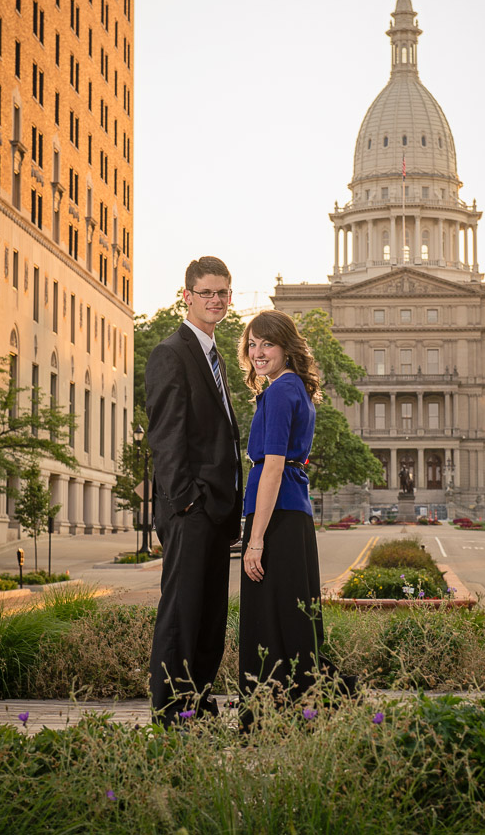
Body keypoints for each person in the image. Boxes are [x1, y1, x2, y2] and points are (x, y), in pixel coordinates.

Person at [238, 310, 355, 716]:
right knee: (293, 617)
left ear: (286, 347)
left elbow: (271, 465)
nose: (258, 352)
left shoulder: (280, 391)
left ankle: (271, 716)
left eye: (267, 344)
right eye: (252, 344)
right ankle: (302, 709)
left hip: (276, 515)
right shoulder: (295, 389)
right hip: (293, 512)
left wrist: (255, 540)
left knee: (268, 621)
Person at [145, 256, 242, 725]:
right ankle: (170, 711)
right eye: (207, 293)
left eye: (223, 293)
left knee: (209, 620)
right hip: (191, 510)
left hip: (215, 512)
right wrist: (187, 501)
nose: (216, 301)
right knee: (182, 614)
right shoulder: (172, 352)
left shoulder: (214, 354)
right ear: (187, 296)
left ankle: (197, 704)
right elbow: (166, 436)